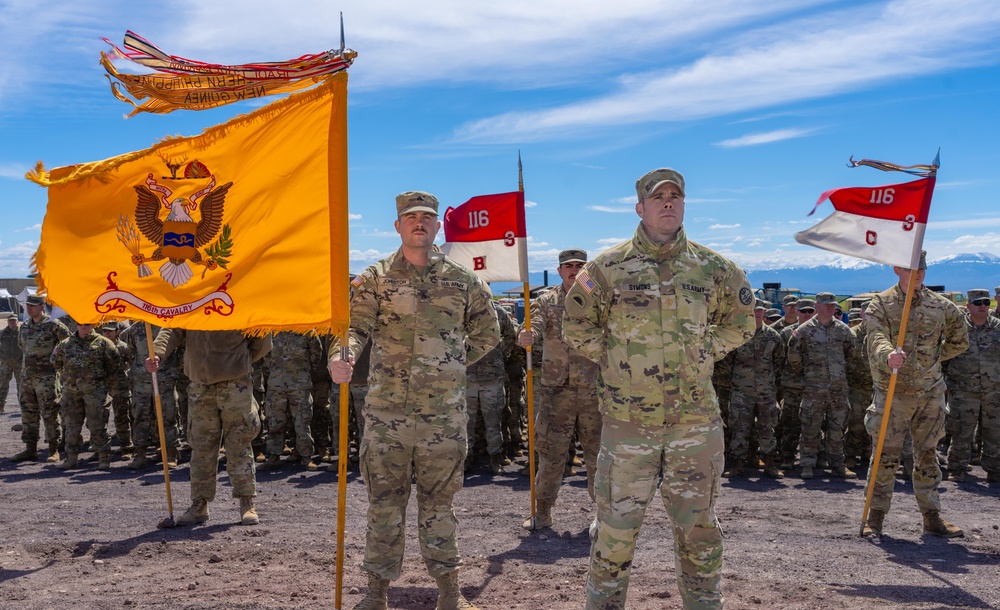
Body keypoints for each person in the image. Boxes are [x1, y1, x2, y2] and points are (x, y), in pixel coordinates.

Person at [563, 168, 754, 610]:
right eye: (658, 196)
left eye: (675, 196)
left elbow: (742, 323)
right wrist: (616, 357)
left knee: (700, 530)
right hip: (629, 425)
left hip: (695, 424)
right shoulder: (606, 268)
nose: (668, 202)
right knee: (614, 531)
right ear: (640, 207)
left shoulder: (715, 268)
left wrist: (705, 349)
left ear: (683, 204)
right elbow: (575, 325)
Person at [328, 191, 500, 610]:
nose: (419, 223)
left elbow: (489, 332)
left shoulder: (463, 280)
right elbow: (353, 328)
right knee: (384, 506)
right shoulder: (376, 277)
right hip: (388, 415)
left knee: (439, 506)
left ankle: (449, 594)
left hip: (443, 418)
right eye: (411, 217)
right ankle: (375, 595)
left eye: (427, 217)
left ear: (438, 225)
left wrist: (452, 362)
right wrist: (340, 357)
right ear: (398, 226)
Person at [862, 253, 968, 538]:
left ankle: (932, 517)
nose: (918, 272)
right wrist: (888, 356)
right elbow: (875, 336)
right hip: (893, 392)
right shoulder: (881, 304)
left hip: (930, 392)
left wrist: (930, 360)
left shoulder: (941, 305)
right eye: (911, 268)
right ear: (897, 269)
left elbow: (961, 339)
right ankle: (875, 517)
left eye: (921, 267)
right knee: (885, 454)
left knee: (928, 453)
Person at [146, 329, 272, 526]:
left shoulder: (237, 301)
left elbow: (261, 338)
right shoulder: (190, 301)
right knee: (201, 446)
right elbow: (172, 328)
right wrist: (158, 353)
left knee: (239, 443)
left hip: (235, 383)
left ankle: (246, 502)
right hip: (200, 385)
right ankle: (199, 506)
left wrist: (239, 361)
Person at [516, 248, 601, 529]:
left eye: (579, 265)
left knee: (598, 457)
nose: (573, 270)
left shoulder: (598, 297)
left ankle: (604, 516)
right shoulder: (547, 299)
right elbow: (534, 324)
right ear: (559, 270)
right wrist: (526, 335)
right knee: (551, 455)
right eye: (568, 266)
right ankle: (542, 512)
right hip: (556, 392)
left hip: (594, 391)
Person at [786, 292, 855, 479]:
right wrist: (807, 373)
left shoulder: (843, 330)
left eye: (832, 305)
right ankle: (807, 464)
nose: (830, 308)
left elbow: (851, 354)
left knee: (838, 427)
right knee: (810, 425)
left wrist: (839, 372)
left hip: (838, 389)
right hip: (814, 388)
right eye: (826, 305)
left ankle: (838, 464)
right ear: (817, 306)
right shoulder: (804, 330)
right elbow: (793, 355)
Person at [942, 289, 1000, 482]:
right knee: (961, 431)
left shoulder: (998, 328)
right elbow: (943, 358)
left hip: (993, 392)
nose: (983, 306)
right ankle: (957, 468)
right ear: (968, 306)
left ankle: (994, 470)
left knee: (994, 432)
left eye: (985, 302)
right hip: (963, 392)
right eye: (978, 303)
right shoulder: (957, 330)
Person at [725, 298, 784, 478]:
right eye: (753, 310)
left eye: (760, 311)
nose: (756, 314)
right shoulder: (738, 335)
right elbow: (728, 362)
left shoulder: (773, 336)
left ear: (764, 313)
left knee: (768, 427)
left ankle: (770, 464)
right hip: (742, 391)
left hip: (766, 391)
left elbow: (779, 362)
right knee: (740, 427)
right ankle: (738, 464)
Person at [50, 322, 119, 470]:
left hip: (95, 392)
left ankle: (104, 458)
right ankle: (71, 458)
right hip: (71, 392)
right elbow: (55, 362)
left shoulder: (103, 343)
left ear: (93, 325)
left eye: (87, 324)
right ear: (75, 324)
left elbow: (113, 365)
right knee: (71, 427)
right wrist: (68, 378)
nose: (83, 326)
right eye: (80, 324)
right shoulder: (65, 344)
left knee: (98, 426)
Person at [12, 294, 69, 463]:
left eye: (32, 306)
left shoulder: (54, 325)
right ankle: (30, 449)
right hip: (27, 378)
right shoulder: (25, 326)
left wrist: (58, 367)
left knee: (50, 413)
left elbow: (69, 346)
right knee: (28, 414)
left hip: (47, 379)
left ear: (42, 307)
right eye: (27, 305)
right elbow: (22, 346)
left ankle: (54, 449)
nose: (29, 308)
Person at [466, 298, 516, 475]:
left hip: (492, 376)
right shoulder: (462, 311)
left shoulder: (499, 312)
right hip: (467, 375)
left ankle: (496, 457)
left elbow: (511, 335)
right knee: (466, 422)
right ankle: (467, 457)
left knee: (494, 421)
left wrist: (498, 353)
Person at [261, 330, 324, 471]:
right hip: (276, 384)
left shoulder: (308, 331)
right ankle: (273, 456)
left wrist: (305, 373)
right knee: (274, 421)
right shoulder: (272, 331)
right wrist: (272, 374)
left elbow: (316, 354)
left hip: (300, 383)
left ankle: (306, 456)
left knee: (302, 421)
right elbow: (265, 355)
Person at [100, 322, 134, 458]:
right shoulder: (99, 346)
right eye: (105, 331)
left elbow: (132, 363)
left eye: (110, 331)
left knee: (122, 417)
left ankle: (126, 447)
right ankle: (100, 449)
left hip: (120, 386)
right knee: (99, 420)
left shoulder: (123, 347)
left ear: (117, 331)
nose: (107, 334)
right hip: (103, 386)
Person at [0, 313, 23, 413]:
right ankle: (1, 406)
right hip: (5, 363)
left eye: (14, 321)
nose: (12, 323)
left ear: (17, 322)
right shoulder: (2, 333)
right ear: (8, 322)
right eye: (11, 321)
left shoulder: (22, 332)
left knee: (21, 386)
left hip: (19, 363)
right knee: (2, 385)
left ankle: (23, 407)